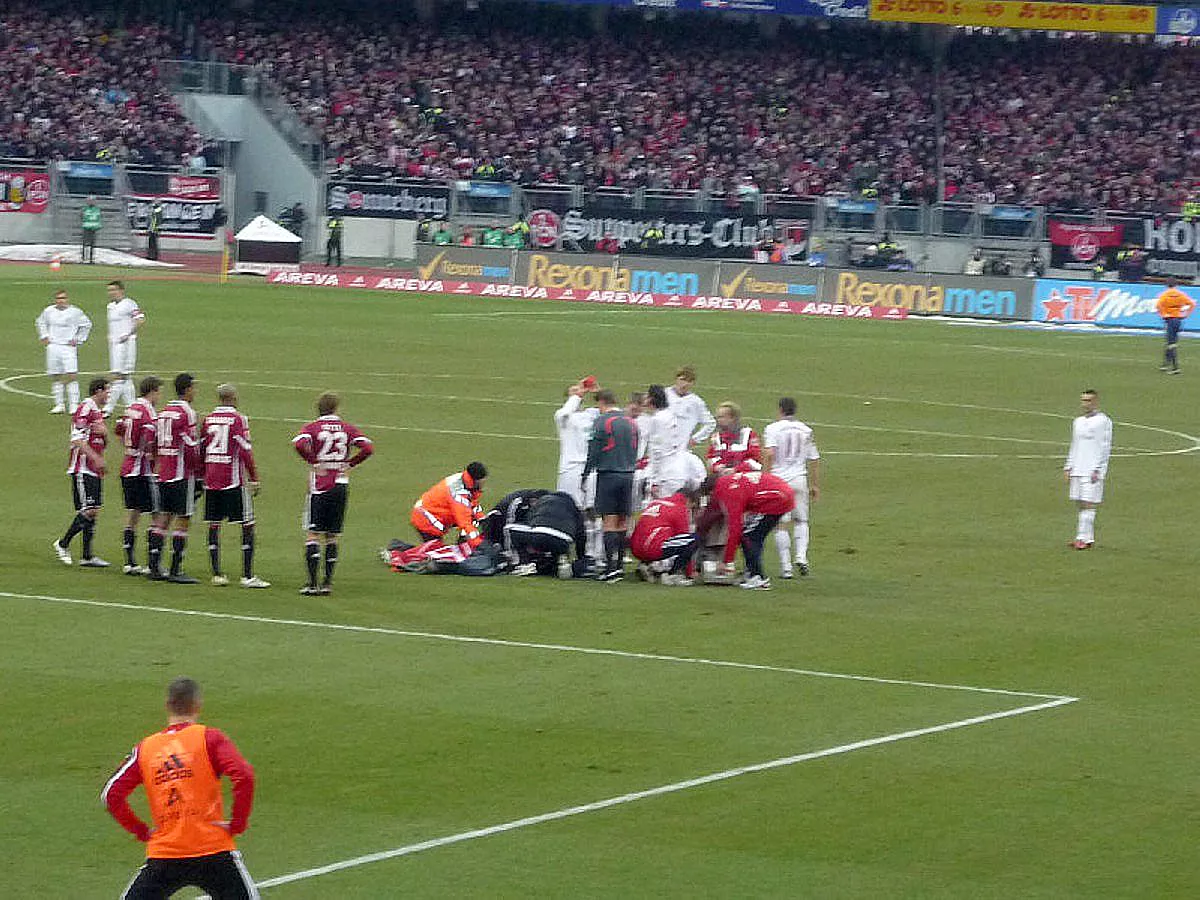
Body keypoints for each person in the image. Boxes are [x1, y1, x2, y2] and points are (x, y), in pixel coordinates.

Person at [101, 677, 258, 900]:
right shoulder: (210, 738)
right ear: (197, 705)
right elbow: (244, 775)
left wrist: (142, 831)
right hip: (212, 850)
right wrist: (237, 824)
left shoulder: (146, 748)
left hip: (166, 854)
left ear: (167, 706)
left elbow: (111, 795)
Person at [292, 392, 375, 595]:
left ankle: (312, 584)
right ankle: (327, 583)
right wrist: (350, 464)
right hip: (340, 483)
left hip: (319, 485)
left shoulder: (312, 428)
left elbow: (298, 444)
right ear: (337, 409)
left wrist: (314, 462)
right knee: (332, 535)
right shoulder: (347, 428)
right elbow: (368, 448)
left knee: (313, 533)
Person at [202, 385, 269, 588]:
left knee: (214, 524)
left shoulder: (208, 419)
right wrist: (254, 478)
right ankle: (247, 576)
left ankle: (217, 574)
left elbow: (201, 447)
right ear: (233, 397)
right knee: (247, 523)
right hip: (233, 480)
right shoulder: (239, 419)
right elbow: (246, 450)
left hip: (211, 479)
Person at [697, 471, 796, 591]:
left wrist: (726, 561)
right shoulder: (728, 481)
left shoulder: (726, 491)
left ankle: (758, 577)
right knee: (752, 535)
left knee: (749, 537)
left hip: (775, 499)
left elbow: (735, 529)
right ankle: (751, 573)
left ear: (711, 492)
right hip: (779, 493)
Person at [53, 377, 111, 567]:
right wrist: (95, 458)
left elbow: (103, 440)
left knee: (94, 511)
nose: (109, 394)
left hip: (94, 469)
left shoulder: (97, 412)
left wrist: (105, 434)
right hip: (83, 467)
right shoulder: (86, 408)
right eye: (107, 391)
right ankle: (63, 544)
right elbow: (76, 439)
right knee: (89, 510)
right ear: (98, 391)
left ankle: (87, 556)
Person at [149, 374, 201, 583]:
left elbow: (153, 441)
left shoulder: (164, 412)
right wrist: (197, 470)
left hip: (164, 472)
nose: (195, 391)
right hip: (181, 474)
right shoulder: (187, 412)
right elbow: (189, 445)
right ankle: (175, 569)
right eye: (194, 388)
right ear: (187, 389)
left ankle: (153, 567)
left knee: (163, 518)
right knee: (183, 518)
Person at [582, 390, 638, 581]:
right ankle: (620, 565)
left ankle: (609, 567)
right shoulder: (631, 422)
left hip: (609, 475)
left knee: (609, 522)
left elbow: (594, 451)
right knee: (622, 521)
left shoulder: (602, 422)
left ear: (603, 402)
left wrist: (585, 474)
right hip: (629, 475)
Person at [762, 397, 821, 578]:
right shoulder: (806, 430)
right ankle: (801, 557)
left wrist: (765, 478)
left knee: (781, 524)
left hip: (780, 481)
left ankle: (786, 567)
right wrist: (814, 485)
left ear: (780, 410)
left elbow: (770, 454)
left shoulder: (772, 429)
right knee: (801, 520)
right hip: (799, 479)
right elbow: (814, 458)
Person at [117, 376, 162, 576]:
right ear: (152, 391)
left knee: (132, 512)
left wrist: (129, 449)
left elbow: (118, 430)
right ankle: (153, 563)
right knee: (156, 514)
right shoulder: (148, 412)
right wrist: (149, 455)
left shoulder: (130, 408)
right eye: (159, 391)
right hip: (142, 470)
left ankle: (130, 562)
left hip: (127, 466)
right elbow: (149, 440)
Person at [554, 377, 601, 557]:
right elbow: (566, 412)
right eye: (573, 392)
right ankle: (566, 548)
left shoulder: (591, 414)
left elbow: (610, 411)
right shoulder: (562, 417)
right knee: (572, 509)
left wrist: (597, 393)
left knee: (593, 510)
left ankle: (593, 553)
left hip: (591, 468)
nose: (580, 393)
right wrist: (576, 396)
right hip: (571, 469)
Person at [1064, 389, 1113, 550]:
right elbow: (1074, 444)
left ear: (1096, 402)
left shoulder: (1103, 421)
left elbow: (1105, 446)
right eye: (1083, 401)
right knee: (1079, 503)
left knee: (1088, 503)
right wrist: (1068, 466)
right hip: (1078, 467)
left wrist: (1098, 469)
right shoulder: (1077, 421)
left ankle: (1082, 539)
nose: (1085, 404)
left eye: (1089, 400)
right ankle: (1085, 537)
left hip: (1092, 470)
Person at [506, 490, 590, 577]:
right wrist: (581, 557)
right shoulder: (574, 509)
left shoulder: (543, 501)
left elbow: (529, 520)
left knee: (510, 528)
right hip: (563, 541)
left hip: (541, 534)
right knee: (551, 546)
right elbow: (581, 535)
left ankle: (524, 563)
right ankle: (561, 563)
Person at [36, 289, 92, 414]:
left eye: (63, 298)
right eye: (58, 298)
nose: (60, 301)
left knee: (71, 374)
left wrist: (78, 339)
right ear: (55, 300)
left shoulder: (75, 312)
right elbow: (40, 322)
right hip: (53, 346)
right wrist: (44, 336)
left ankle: (74, 405)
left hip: (68, 347)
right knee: (55, 375)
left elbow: (87, 325)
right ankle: (59, 404)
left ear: (67, 299)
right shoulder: (48, 311)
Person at [630, 488, 701, 586]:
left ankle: (649, 566)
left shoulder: (654, 503)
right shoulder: (680, 508)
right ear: (688, 500)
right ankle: (673, 574)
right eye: (691, 508)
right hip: (653, 548)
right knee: (694, 539)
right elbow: (684, 538)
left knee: (663, 538)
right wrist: (690, 572)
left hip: (635, 549)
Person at [411, 462, 488, 549]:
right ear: (476, 480)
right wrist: (478, 544)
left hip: (428, 513)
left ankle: (462, 545)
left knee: (436, 552)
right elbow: (464, 522)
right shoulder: (459, 494)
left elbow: (473, 505)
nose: (483, 484)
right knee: (436, 554)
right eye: (482, 481)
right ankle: (400, 553)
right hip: (426, 520)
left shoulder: (464, 481)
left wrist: (483, 520)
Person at [104, 280, 146, 415]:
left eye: (114, 290)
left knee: (117, 375)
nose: (111, 293)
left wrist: (128, 334)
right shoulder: (110, 306)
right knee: (125, 377)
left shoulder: (129, 304)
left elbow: (140, 319)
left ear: (121, 290)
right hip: (114, 345)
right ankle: (132, 407)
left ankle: (108, 408)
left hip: (126, 344)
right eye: (109, 290)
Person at [665, 366, 716, 450]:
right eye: (682, 379)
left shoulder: (696, 402)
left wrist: (695, 439)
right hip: (660, 445)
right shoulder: (663, 395)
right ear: (676, 379)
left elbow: (710, 423)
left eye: (689, 381)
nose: (685, 384)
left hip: (681, 449)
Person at [706, 401, 762, 475]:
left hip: (744, 477)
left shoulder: (748, 434)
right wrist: (718, 467)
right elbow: (712, 458)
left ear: (732, 418)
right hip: (722, 477)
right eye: (717, 417)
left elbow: (756, 461)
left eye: (721, 417)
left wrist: (736, 470)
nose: (718, 420)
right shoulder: (716, 437)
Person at [1156, 279, 1195, 375]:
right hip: (1178, 320)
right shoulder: (1180, 294)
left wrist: (1163, 315)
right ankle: (1165, 365)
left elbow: (1158, 306)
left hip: (1170, 320)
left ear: (1167, 285)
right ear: (1176, 285)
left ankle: (1175, 368)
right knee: (1172, 342)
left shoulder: (1164, 295)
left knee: (1171, 344)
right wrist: (1186, 314)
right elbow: (1192, 304)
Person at [81, 195, 102, 264]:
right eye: (90, 200)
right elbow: (82, 217)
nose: (91, 202)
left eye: (93, 200)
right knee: (86, 244)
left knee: (92, 244)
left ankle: (91, 258)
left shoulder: (97, 209)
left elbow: (98, 218)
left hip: (94, 228)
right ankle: (85, 259)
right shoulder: (84, 209)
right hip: (86, 228)